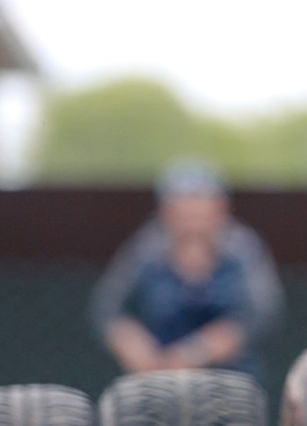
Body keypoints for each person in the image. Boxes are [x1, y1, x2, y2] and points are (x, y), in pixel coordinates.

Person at [91, 161, 284, 383]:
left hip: (230, 381)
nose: (192, 213)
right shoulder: (145, 251)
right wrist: (133, 345)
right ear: (164, 211)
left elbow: (262, 313)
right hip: (158, 379)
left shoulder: (243, 250)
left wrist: (199, 351)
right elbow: (107, 309)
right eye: (182, 204)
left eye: (200, 203)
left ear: (220, 208)